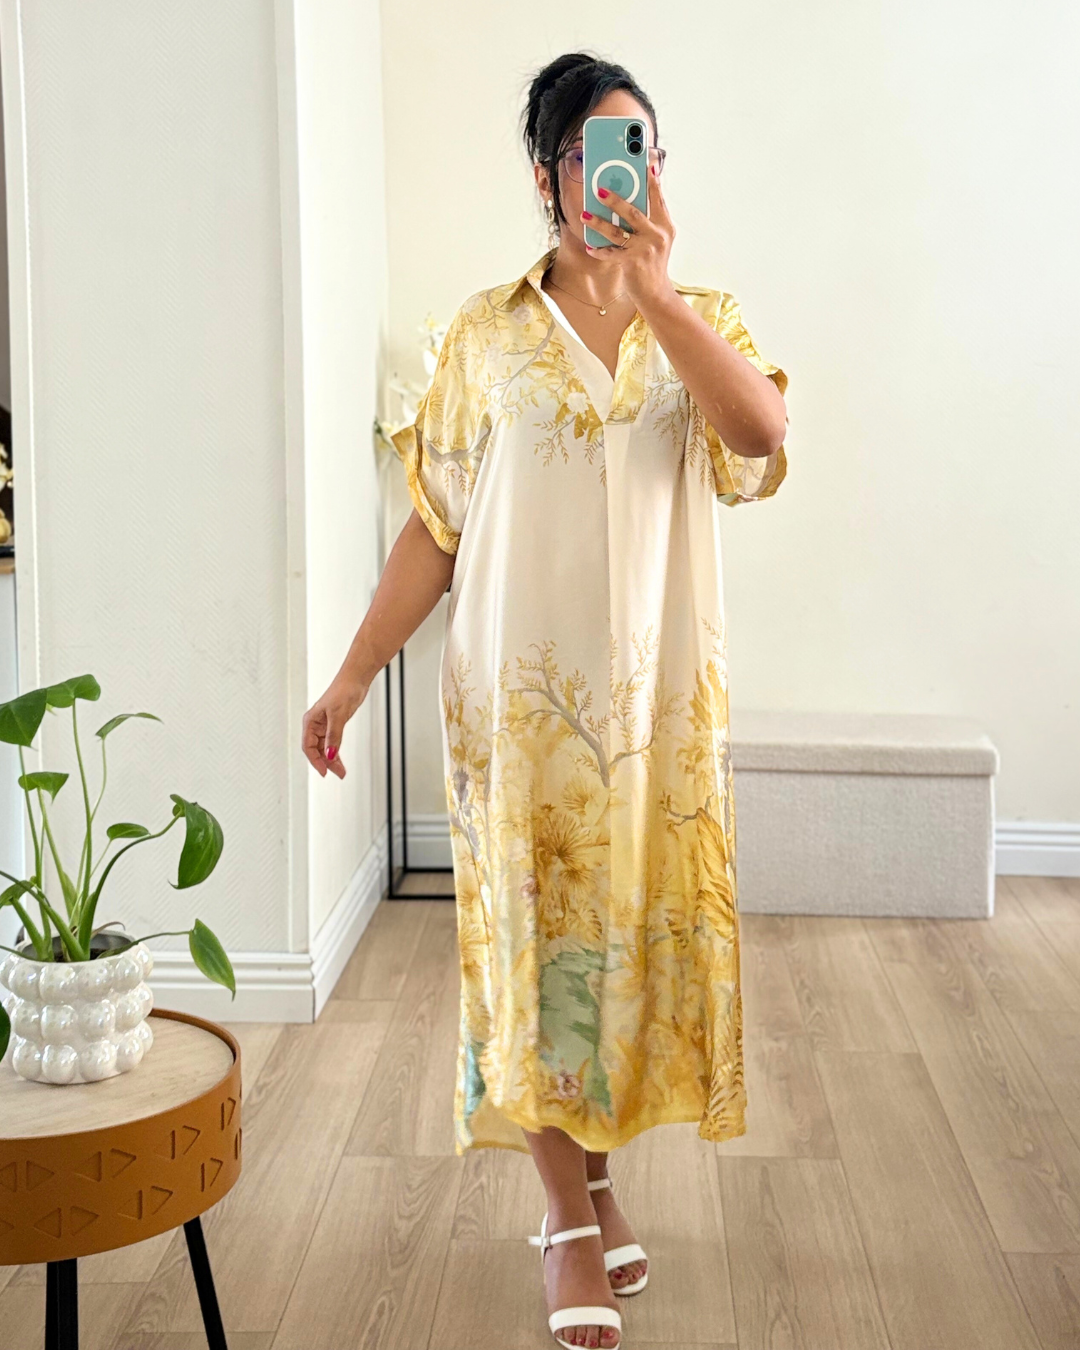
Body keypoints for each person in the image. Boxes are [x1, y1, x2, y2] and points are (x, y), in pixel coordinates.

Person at [302, 51, 788, 1350]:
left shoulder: (705, 321)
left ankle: (598, 1180)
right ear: (547, 174)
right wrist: (353, 671)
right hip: (519, 724)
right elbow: (436, 526)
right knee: (537, 959)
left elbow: (760, 439)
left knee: (618, 962)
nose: (621, 176)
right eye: (593, 153)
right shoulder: (484, 336)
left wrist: (661, 298)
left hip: (657, 727)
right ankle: (566, 1217)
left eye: (642, 152)